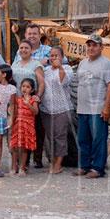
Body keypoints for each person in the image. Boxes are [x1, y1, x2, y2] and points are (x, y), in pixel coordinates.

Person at [73, 34, 110, 178]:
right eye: (89, 45)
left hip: (97, 108)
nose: (91, 48)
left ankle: (97, 168)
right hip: (82, 108)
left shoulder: (107, 63)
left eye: (95, 45)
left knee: (98, 139)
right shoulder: (82, 63)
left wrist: (107, 107)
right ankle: (84, 166)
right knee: (83, 139)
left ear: (101, 47)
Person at [12, 40, 46, 167]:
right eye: (21, 48)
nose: (23, 50)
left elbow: (41, 82)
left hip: (30, 102)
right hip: (16, 101)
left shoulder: (36, 65)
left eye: (26, 48)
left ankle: (35, 160)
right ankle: (19, 162)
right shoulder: (15, 64)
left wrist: (37, 96)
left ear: (31, 50)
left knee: (33, 130)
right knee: (17, 131)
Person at [41, 46, 74, 174]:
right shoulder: (46, 70)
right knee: (50, 137)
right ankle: (53, 161)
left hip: (61, 108)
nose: (53, 58)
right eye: (51, 55)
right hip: (46, 109)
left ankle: (59, 163)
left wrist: (59, 66)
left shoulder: (67, 68)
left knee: (60, 136)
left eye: (56, 55)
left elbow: (63, 82)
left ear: (62, 57)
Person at [10, 78, 39, 176]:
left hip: (27, 127)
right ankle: (14, 167)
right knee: (14, 148)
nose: (25, 89)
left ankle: (22, 168)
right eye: (23, 86)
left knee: (24, 148)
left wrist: (28, 104)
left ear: (31, 90)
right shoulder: (18, 99)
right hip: (17, 126)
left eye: (28, 87)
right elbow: (13, 112)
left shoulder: (33, 100)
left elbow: (35, 112)